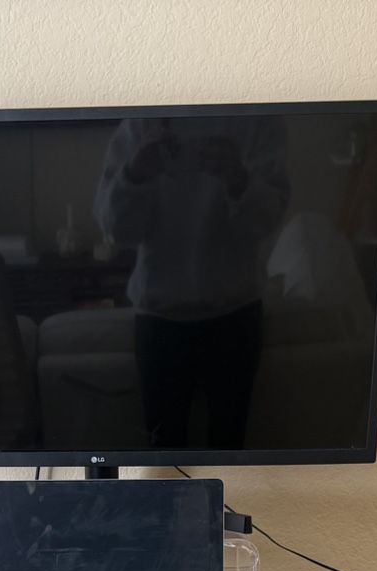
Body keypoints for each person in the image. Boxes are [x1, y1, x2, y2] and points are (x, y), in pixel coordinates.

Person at [94, 116, 290, 448]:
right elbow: (116, 231)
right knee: (164, 456)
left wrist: (238, 178)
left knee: (229, 453)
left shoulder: (259, 122)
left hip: (234, 317)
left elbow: (268, 221)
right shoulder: (139, 127)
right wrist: (135, 173)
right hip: (163, 320)